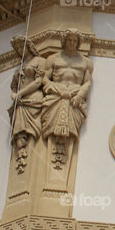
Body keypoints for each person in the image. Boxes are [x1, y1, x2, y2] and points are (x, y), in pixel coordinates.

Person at [40, 29, 92, 170]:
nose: (72, 43)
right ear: (64, 41)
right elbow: (45, 78)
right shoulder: (53, 59)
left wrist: (79, 95)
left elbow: (87, 82)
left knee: (70, 129)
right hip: (56, 97)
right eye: (69, 40)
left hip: (74, 98)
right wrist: (53, 87)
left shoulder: (85, 62)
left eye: (75, 40)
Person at [9, 36, 46, 173]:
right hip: (20, 103)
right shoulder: (20, 67)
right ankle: (21, 153)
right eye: (18, 48)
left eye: (22, 47)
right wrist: (15, 95)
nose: (20, 50)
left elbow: (38, 82)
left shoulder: (40, 61)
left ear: (29, 46)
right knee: (19, 136)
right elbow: (14, 87)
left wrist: (20, 94)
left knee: (31, 131)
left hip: (33, 100)